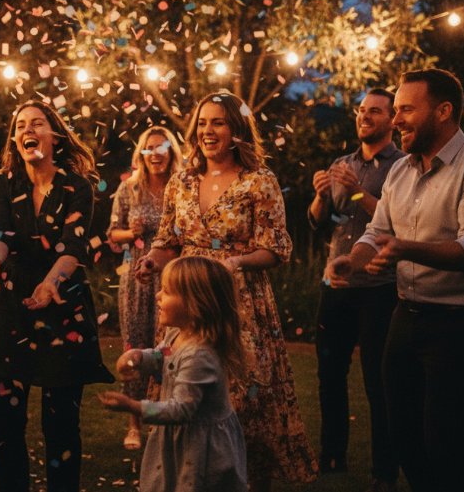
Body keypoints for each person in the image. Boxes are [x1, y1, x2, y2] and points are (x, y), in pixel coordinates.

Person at [326, 68, 464, 492]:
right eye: (395, 111)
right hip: (406, 318)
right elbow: (376, 232)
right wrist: (353, 261)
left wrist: (405, 248)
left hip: (462, 324)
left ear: (444, 111)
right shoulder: (401, 171)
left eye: (406, 109)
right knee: (405, 442)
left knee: (446, 447)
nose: (395, 120)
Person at [137, 91, 317, 491]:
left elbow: (275, 248)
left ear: (237, 129)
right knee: (188, 390)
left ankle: (247, 479)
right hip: (190, 302)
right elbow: (168, 240)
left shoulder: (260, 181)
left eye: (217, 122)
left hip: (240, 305)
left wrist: (236, 263)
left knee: (245, 400)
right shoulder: (181, 181)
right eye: (202, 123)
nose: (207, 131)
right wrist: (152, 260)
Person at [0, 101, 114, 492]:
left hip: (62, 310)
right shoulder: (4, 182)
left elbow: (74, 245)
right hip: (13, 309)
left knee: (61, 425)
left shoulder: (78, 186)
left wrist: (52, 281)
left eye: (37, 123)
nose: (27, 129)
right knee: (5, 425)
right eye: (20, 125)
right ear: (15, 138)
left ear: (54, 135)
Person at [308, 88, 403, 491]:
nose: (365, 117)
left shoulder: (402, 166)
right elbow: (323, 220)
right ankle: (331, 459)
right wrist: (318, 196)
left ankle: (385, 471)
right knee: (330, 374)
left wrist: (359, 191)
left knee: (378, 380)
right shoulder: (341, 163)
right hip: (336, 284)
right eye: (361, 111)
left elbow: (398, 220)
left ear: (392, 119)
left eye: (374, 111)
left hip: (379, 287)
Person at [99, 255, 248, 492]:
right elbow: (161, 356)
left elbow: (182, 409)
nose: (157, 296)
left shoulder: (200, 355)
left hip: (201, 448)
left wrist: (134, 406)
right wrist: (138, 356)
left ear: (195, 304)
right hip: (182, 441)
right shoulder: (176, 335)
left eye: (167, 292)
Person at [105, 125, 183, 450]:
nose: (156, 153)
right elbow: (112, 235)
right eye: (150, 148)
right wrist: (128, 233)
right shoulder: (129, 190)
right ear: (142, 154)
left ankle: (166, 417)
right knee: (135, 346)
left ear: (171, 152)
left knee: (170, 347)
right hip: (137, 279)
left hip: (172, 277)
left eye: (162, 147)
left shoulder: (181, 187)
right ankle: (134, 423)